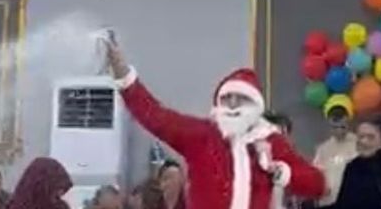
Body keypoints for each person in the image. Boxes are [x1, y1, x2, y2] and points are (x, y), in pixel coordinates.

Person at [104, 32, 325, 209]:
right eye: (227, 98)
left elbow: (317, 184)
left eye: (241, 98)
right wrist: (124, 76)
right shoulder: (201, 135)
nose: (233, 104)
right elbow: (156, 117)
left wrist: (283, 172)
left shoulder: (270, 142)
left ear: (255, 106)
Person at [312, 108, 356, 208]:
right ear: (329, 126)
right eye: (335, 127)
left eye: (342, 127)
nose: (339, 131)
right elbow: (316, 175)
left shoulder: (358, 144)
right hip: (329, 201)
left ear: (348, 123)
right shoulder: (323, 149)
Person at [5, 158, 72, 209]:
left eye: (62, 189)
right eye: (57, 189)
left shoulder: (61, 207)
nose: (60, 193)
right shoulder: (16, 205)